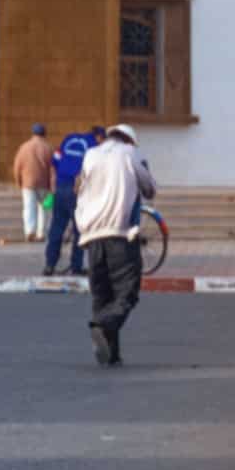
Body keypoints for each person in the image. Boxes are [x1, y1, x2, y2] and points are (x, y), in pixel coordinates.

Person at [74, 124, 156, 366]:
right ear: (129, 140)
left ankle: (111, 354)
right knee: (126, 294)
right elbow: (150, 189)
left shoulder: (90, 154)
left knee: (102, 295)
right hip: (121, 235)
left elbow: (81, 187)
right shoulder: (131, 154)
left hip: (91, 236)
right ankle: (102, 325)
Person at [44, 125, 103, 277]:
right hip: (78, 190)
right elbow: (94, 170)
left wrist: (54, 183)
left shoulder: (69, 139)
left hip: (60, 187)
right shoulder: (94, 146)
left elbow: (55, 161)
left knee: (56, 228)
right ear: (99, 137)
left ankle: (49, 265)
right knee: (79, 230)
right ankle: (76, 267)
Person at [11, 123, 53, 243]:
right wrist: (53, 185)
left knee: (29, 208)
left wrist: (19, 182)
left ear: (33, 133)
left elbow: (17, 166)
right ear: (44, 134)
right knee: (44, 209)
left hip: (27, 183)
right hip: (44, 184)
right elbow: (54, 168)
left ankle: (30, 231)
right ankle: (41, 233)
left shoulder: (24, 147)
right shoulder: (49, 148)